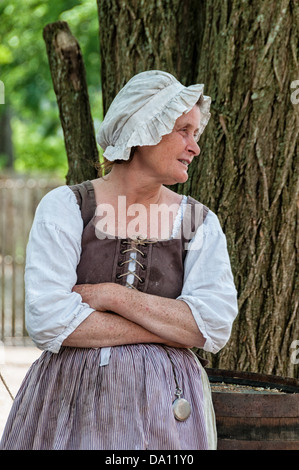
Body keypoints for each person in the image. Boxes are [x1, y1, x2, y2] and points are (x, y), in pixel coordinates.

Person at [0, 70, 238, 450]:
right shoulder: (66, 208)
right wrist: (172, 331)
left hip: (168, 411)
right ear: (144, 129)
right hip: (70, 404)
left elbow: (212, 324)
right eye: (183, 131)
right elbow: (48, 320)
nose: (195, 147)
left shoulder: (198, 222)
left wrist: (113, 297)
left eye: (196, 134)